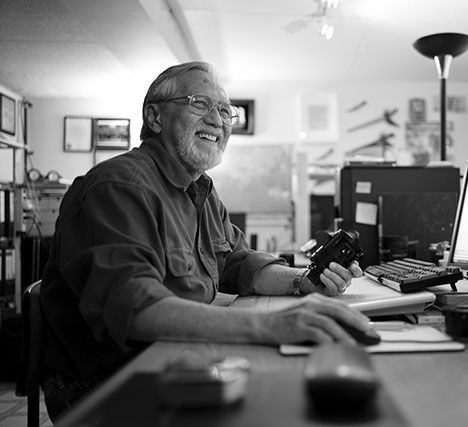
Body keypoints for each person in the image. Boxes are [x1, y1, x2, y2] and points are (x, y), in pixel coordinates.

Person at [39, 61, 367, 422]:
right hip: (108, 380)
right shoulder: (119, 186)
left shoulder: (203, 193)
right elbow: (135, 308)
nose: (218, 120)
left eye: (226, 111)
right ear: (155, 117)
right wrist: (273, 325)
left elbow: (239, 262)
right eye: (200, 103)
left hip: (177, 356)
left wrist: (302, 283)